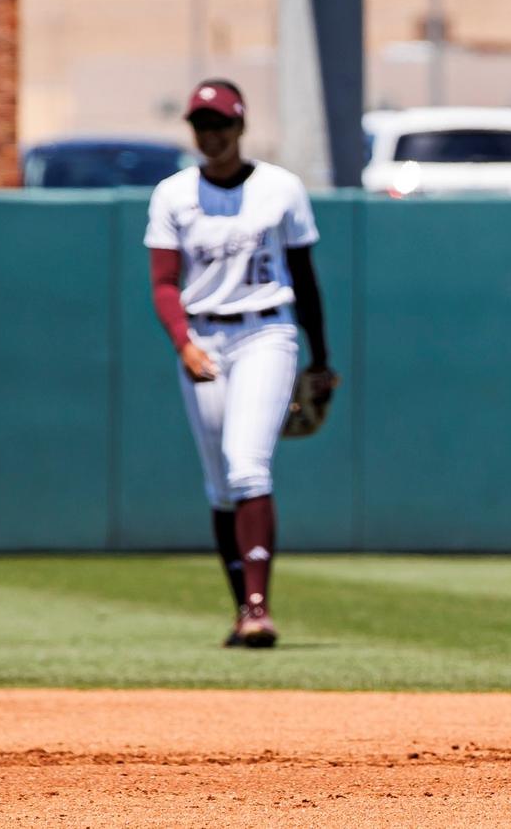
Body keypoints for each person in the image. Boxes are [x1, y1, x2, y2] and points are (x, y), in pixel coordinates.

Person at [145, 79, 337, 648]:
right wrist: (182, 341)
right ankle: (241, 611)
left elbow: (304, 280)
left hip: (266, 332)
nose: (212, 135)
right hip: (203, 336)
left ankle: (258, 607)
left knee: (246, 463)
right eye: (202, 125)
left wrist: (321, 358)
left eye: (221, 124)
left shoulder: (281, 189)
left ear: (241, 126)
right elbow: (162, 283)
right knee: (219, 485)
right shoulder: (174, 194)